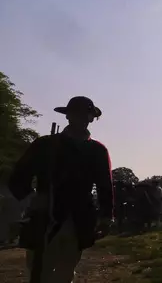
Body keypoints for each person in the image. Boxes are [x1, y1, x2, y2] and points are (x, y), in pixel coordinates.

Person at [8, 96, 113, 283]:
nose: (81, 117)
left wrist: (106, 216)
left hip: (79, 218)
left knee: (65, 272)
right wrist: (33, 198)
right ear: (68, 116)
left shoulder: (97, 150)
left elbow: (105, 186)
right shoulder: (45, 144)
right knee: (39, 273)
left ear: (91, 118)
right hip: (44, 217)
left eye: (85, 114)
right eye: (76, 113)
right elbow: (18, 177)